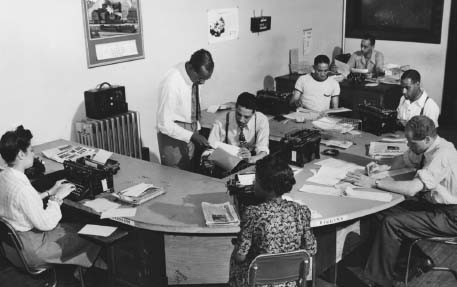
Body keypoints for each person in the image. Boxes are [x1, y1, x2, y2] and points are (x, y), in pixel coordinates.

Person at [344, 116, 457, 287]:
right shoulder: (425, 147)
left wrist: (374, 182)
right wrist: (384, 167)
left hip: (450, 216)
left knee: (392, 223)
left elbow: (412, 188)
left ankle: (380, 281)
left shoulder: (442, 154)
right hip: (433, 206)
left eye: (412, 142)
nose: (409, 146)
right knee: (379, 210)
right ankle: (415, 260)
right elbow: (404, 159)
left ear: (427, 138)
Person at [0, 126, 102, 270]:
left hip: (13, 250)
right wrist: (57, 197)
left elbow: (20, 204)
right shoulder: (23, 190)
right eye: (31, 150)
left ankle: (86, 265)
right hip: (34, 251)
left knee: (72, 226)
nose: (34, 154)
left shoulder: (4, 176)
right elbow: (46, 224)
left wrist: (50, 192)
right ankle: (89, 271)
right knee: (90, 233)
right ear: (21, 155)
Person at [229, 155, 317, 287]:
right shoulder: (301, 212)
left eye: (256, 180)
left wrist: (239, 243)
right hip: (290, 282)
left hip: (259, 281)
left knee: (234, 258)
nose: (254, 184)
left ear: (267, 186)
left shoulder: (253, 213)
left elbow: (240, 256)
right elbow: (311, 249)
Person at [157, 49, 214, 171]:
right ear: (191, 68)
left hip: (190, 132)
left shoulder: (193, 75)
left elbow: (191, 107)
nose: (202, 82)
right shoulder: (171, 83)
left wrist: (196, 130)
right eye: (200, 78)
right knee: (177, 180)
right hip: (173, 136)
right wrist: (191, 135)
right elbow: (163, 124)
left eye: (205, 79)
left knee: (191, 175)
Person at [206, 92, 269, 165]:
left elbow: (263, 150)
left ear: (254, 113)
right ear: (235, 108)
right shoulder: (221, 121)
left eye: (246, 117)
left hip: (251, 157)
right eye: (239, 114)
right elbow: (210, 147)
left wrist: (251, 159)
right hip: (226, 159)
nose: (241, 120)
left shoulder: (261, 120)